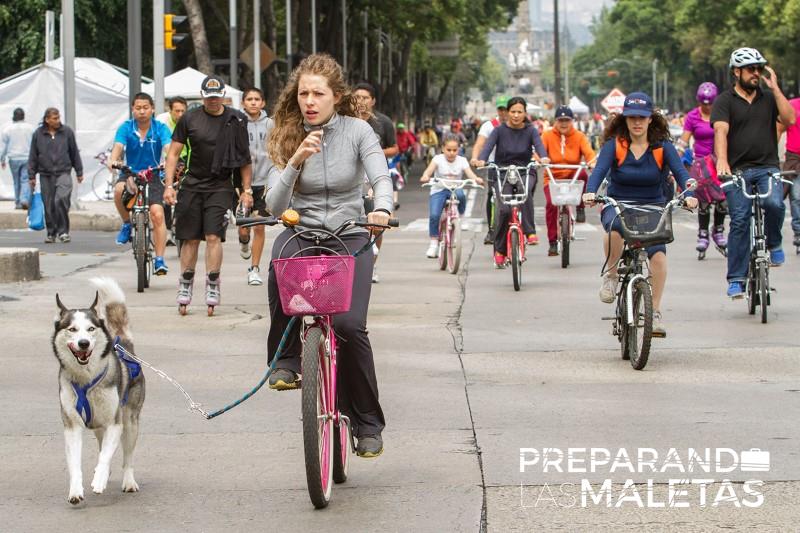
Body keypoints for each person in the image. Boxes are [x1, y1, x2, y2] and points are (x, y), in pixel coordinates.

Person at [264, 53, 393, 458]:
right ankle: (285, 360)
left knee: (349, 326)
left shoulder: (358, 131)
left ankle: (367, 422)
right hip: (302, 232)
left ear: (336, 96)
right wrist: (296, 161)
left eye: (318, 94)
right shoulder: (286, 132)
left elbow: (380, 176)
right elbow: (274, 205)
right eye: (303, 93)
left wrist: (381, 209)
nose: (309, 101)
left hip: (349, 234)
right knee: (279, 264)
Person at [583, 92, 697, 336]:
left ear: (650, 119)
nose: (637, 122)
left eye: (642, 117)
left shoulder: (662, 147)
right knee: (613, 229)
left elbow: (681, 173)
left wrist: (689, 193)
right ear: (624, 119)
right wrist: (590, 192)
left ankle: (654, 312)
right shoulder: (615, 145)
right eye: (632, 117)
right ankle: (611, 275)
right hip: (619, 203)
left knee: (658, 256)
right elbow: (599, 171)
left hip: (653, 206)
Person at [163, 75, 253, 313]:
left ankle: (213, 283)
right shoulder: (189, 118)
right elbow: (173, 153)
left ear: (223, 96)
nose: (213, 101)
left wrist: (246, 190)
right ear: (203, 96)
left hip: (220, 185)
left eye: (216, 97)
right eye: (209, 97)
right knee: (190, 238)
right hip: (192, 184)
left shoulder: (236, 120)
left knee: (213, 237)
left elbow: (245, 159)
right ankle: (185, 283)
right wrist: (169, 185)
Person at [711, 47, 796, 298]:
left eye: (759, 68)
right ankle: (736, 279)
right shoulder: (724, 101)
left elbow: (790, 120)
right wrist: (722, 161)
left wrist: (776, 88)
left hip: (767, 167)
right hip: (736, 170)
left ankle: (774, 244)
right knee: (739, 220)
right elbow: (721, 131)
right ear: (736, 72)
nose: (756, 73)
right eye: (751, 69)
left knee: (775, 204)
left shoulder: (769, 98)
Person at [476, 96, 548, 267]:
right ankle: (500, 250)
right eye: (513, 111)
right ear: (508, 113)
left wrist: (544, 157)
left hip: (525, 171)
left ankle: (530, 232)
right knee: (504, 210)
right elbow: (487, 147)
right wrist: (481, 160)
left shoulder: (531, 131)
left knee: (525, 193)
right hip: (503, 173)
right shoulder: (498, 131)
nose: (516, 115)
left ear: (525, 113)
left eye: (519, 112)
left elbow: (539, 145)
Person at [109, 93, 173, 275]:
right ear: (133, 109)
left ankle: (159, 259)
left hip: (154, 174)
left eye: (146, 107)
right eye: (138, 108)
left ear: (152, 109)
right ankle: (126, 223)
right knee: (118, 190)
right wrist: (113, 160)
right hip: (130, 173)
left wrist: (169, 160)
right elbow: (118, 147)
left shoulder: (160, 128)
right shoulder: (126, 127)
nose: (142, 111)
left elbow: (169, 148)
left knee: (157, 214)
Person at [354, 82, 398, 283]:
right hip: (352, 178)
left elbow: (394, 148)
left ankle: (372, 264)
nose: (361, 101)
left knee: (376, 223)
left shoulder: (383, 122)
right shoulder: (346, 119)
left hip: (375, 177)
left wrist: (373, 152)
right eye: (357, 97)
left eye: (365, 98)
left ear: (373, 101)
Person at [677, 82, 728, 255]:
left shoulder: (722, 114)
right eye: (704, 103)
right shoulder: (692, 116)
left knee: (722, 199)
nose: (707, 107)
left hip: (720, 161)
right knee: (704, 201)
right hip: (701, 165)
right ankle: (703, 233)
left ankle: (718, 230)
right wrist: (675, 157)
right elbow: (684, 140)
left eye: (710, 103)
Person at [540, 105, 596, 256]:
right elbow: (539, 152)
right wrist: (540, 159)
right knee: (551, 204)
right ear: (555, 121)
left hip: (573, 176)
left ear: (572, 121)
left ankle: (580, 207)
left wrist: (592, 162)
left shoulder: (579, 136)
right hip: (552, 178)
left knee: (583, 174)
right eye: (561, 120)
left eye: (567, 120)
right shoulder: (547, 135)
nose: (564, 123)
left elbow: (589, 153)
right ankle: (552, 242)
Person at [420, 134, 484, 258]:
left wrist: (476, 179)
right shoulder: (437, 159)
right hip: (439, 189)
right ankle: (433, 244)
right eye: (448, 150)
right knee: (434, 215)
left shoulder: (462, 160)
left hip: (454, 189)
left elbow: (470, 174)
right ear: (443, 149)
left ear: (458, 150)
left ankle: (461, 217)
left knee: (461, 195)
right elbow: (428, 171)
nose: (451, 153)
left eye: (454, 150)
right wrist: (426, 176)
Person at [27, 108, 83, 243]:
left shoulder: (67, 132)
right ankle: (51, 233)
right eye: (54, 118)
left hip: (63, 172)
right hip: (45, 174)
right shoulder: (38, 134)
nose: (58, 121)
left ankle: (63, 231)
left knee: (61, 199)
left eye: (58, 117)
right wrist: (31, 175)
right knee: (49, 204)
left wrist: (79, 171)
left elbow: (74, 152)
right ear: (47, 120)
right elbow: (33, 155)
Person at [237, 87, 274, 286]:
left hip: (265, 182)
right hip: (243, 183)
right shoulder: (237, 123)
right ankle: (244, 242)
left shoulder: (271, 124)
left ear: (263, 103)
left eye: (257, 99)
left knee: (259, 225)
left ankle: (254, 269)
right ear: (243, 103)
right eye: (249, 99)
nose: (253, 102)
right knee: (244, 229)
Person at [471, 96, 510, 245]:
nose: (504, 113)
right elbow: (479, 144)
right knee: (492, 196)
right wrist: (475, 158)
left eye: (506, 109)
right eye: (501, 109)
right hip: (495, 166)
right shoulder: (489, 126)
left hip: (514, 167)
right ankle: (492, 229)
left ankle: (520, 227)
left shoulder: (518, 125)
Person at [155, 96, 188, 247]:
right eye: (177, 111)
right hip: (166, 158)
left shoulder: (189, 120)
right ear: (170, 110)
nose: (180, 114)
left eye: (183, 111)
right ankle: (168, 230)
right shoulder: (162, 121)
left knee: (186, 191)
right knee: (167, 192)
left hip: (184, 157)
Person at [777, 95, 800, 249]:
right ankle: (798, 231)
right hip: (794, 158)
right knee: (796, 196)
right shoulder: (791, 105)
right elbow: (778, 128)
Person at [1, 108, 35, 209]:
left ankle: (18, 202)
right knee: (25, 179)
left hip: (13, 158)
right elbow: (35, 144)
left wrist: (2, 159)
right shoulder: (31, 128)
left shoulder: (7, 129)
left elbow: (3, 147)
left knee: (16, 181)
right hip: (27, 157)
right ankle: (24, 199)